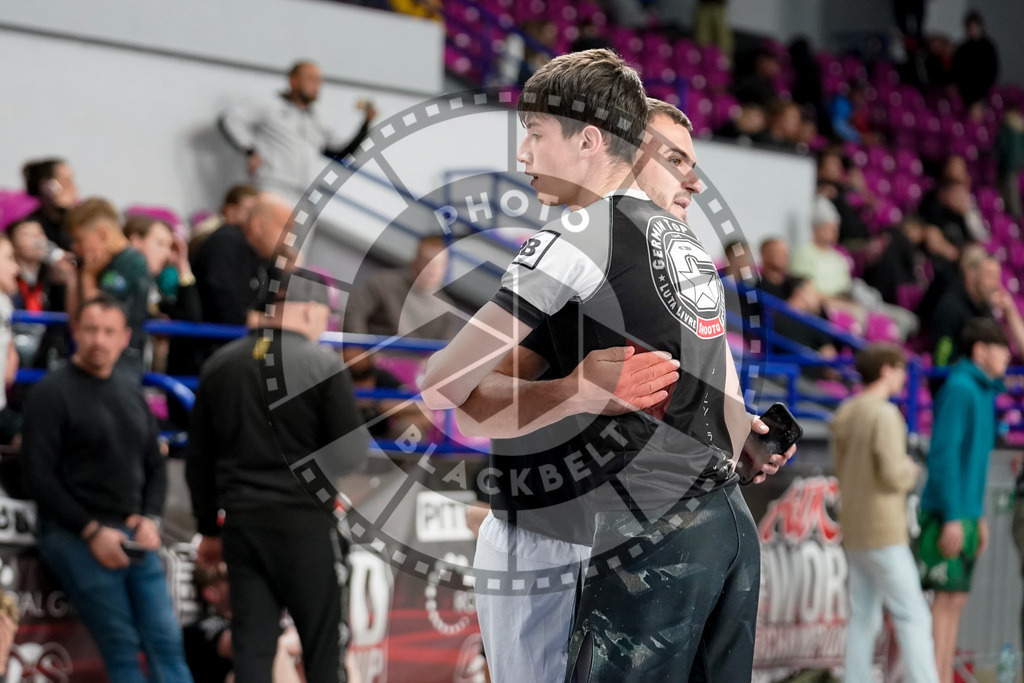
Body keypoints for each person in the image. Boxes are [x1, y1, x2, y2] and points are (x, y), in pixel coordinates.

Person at [423, 52, 785, 681]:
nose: (523, 155)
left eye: (535, 135)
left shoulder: (576, 235)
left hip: (634, 528)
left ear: (588, 140)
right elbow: (716, 397)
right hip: (722, 524)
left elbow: (440, 386)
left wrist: (573, 390)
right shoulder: (687, 246)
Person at [186, 275, 368, 683]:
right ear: (309, 309)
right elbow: (352, 453)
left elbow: (199, 457)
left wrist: (206, 528)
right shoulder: (323, 364)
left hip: (242, 523)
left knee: (253, 644)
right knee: (324, 643)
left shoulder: (220, 364)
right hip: (305, 521)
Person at [21, 294, 191, 681]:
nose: (99, 339)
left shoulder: (131, 393)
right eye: (91, 330)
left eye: (108, 331)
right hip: (73, 534)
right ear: (76, 332)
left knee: (166, 642)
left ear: (124, 337)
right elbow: (38, 476)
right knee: (122, 646)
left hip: (132, 535)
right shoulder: (51, 393)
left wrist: (150, 518)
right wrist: (92, 531)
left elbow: (155, 466)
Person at [832, 343, 939, 683]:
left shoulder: (846, 411)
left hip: (854, 526)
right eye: (900, 369)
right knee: (914, 616)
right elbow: (894, 475)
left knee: (864, 616)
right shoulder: (885, 414)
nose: (904, 377)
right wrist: (912, 469)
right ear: (886, 370)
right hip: (885, 529)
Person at [917, 318, 1011, 683]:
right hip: (947, 513)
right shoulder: (960, 388)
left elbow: (973, 464)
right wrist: (955, 516)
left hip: (965, 512)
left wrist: (977, 516)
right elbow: (942, 456)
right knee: (943, 603)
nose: (1007, 355)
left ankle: (941, 675)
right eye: (1001, 347)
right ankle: (935, 677)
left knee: (955, 602)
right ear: (980, 350)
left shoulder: (982, 392)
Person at [219, 61, 377, 196]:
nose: (316, 85)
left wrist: (366, 124)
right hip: (272, 186)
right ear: (293, 80)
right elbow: (230, 119)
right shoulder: (270, 105)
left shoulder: (316, 119)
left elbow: (343, 151)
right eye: (311, 79)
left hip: (303, 193)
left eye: (318, 80)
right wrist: (250, 150)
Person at [64, 198, 153, 379]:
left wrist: (88, 277)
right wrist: (74, 279)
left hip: (121, 361)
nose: (76, 248)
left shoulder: (131, 263)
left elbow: (96, 315)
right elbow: (75, 316)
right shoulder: (98, 264)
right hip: (93, 358)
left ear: (103, 234)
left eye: (80, 240)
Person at [183, 564, 303, 683]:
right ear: (212, 593)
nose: (243, 580)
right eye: (230, 578)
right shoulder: (204, 626)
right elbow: (245, 643)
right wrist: (286, 642)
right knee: (273, 653)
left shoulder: (259, 620)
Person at [344, 235, 461, 340]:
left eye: (439, 264)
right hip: (371, 355)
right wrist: (358, 346)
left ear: (446, 268)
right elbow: (354, 312)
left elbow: (442, 351)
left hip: (413, 362)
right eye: (427, 262)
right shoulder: (384, 282)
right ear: (415, 261)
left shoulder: (446, 310)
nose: (432, 270)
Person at [930, 249, 1024, 370]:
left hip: (982, 382)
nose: (996, 284)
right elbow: (942, 363)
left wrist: (1010, 311)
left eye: (997, 277)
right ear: (971, 273)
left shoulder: (986, 310)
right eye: (989, 275)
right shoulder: (950, 308)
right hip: (959, 383)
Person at [8, 218, 72, 368]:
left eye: (39, 233)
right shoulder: (7, 277)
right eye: (27, 234)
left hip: (47, 346)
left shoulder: (51, 276)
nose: (36, 239)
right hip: (17, 346)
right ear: (13, 245)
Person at [791, 195, 852, 299]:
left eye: (835, 229)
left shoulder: (837, 257)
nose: (834, 232)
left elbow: (845, 288)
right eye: (828, 228)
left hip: (839, 302)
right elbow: (802, 287)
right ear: (816, 228)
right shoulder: (803, 253)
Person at [21, 158, 79, 251]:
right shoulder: (33, 224)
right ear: (45, 185)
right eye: (65, 181)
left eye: (71, 180)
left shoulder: (81, 218)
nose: (73, 187)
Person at [189, 184, 260, 255]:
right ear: (229, 211)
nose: (253, 216)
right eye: (248, 210)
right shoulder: (209, 237)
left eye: (256, 211)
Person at [950, 10, 999, 113]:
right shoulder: (962, 49)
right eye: (970, 27)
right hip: (965, 93)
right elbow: (956, 70)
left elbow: (992, 70)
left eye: (975, 26)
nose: (973, 29)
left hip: (983, 92)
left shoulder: (988, 47)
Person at [996, 102, 1024, 219]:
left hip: (1009, 167)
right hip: (1018, 166)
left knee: (1013, 199)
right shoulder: (1020, 126)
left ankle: (1016, 223)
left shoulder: (1007, 127)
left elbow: (1001, 147)